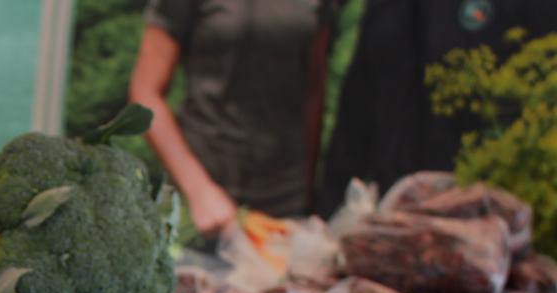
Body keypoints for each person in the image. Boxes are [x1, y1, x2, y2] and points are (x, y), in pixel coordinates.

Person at [319, 0, 557, 216]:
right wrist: (331, 209)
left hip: (490, 217)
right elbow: (356, 109)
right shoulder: (387, 7)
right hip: (396, 215)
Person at [129, 0, 337, 235]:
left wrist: (307, 188)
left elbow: (314, 88)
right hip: (201, 193)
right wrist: (198, 190)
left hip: (285, 196)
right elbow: (145, 93)